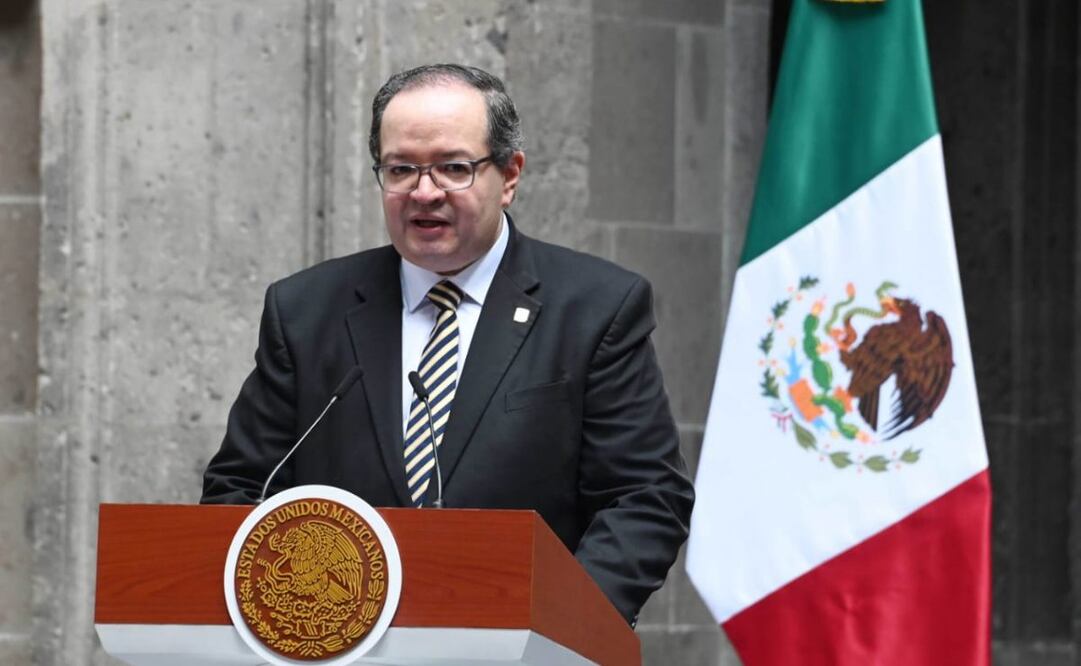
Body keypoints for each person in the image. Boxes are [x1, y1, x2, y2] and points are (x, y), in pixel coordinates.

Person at [201, 63, 694, 625]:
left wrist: (562, 627)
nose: (424, 192)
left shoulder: (597, 307)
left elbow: (644, 498)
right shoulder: (307, 310)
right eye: (401, 169)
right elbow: (241, 489)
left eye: (454, 168)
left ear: (510, 175)